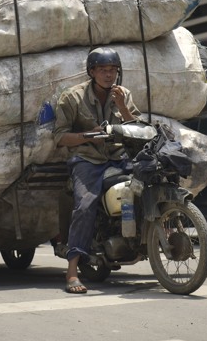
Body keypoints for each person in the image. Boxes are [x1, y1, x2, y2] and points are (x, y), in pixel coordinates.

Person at [53, 47, 141, 294]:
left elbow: (137, 128)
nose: (108, 75)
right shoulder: (72, 97)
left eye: (112, 70)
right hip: (87, 160)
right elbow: (59, 137)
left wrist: (122, 107)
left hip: (117, 157)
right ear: (92, 72)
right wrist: (86, 136)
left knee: (147, 185)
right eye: (103, 70)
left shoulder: (123, 94)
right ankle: (72, 271)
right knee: (85, 205)